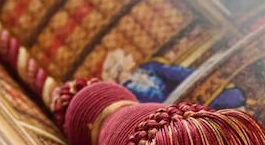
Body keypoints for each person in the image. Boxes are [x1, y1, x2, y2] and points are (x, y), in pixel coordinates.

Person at [100, 47, 245, 110]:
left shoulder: (150, 67)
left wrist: (203, 73)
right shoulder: (128, 94)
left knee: (230, 96)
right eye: (126, 56)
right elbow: (156, 104)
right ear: (119, 68)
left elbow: (177, 73)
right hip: (176, 112)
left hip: (190, 97)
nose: (130, 56)